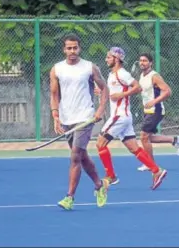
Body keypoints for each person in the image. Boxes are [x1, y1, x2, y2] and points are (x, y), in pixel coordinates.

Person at [50, 34, 110, 210]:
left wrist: (100, 109)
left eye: (75, 47)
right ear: (64, 49)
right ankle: (99, 186)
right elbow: (54, 94)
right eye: (69, 48)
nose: (72, 51)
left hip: (85, 117)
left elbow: (104, 87)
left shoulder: (89, 67)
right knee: (82, 157)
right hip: (66, 117)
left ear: (79, 48)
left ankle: (69, 197)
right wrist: (55, 116)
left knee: (75, 155)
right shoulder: (57, 69)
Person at [96, 47, 167, 190]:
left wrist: (121, 96)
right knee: (134, 148)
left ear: (117, 59)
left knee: (100, 144)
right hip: (124, 117)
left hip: (120, 116)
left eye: (109, 57)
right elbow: (113, 92)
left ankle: (111, 176)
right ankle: (156, 170)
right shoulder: (112, 75)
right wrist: (102, 92)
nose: (106, 59)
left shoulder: (122, 73)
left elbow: (137, 87)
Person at [136, 53, 179, 172]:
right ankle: (174, 140)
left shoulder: (154, 76)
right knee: (148, 137)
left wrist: (154, 101)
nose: (142, 63)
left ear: (151, 63)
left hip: (155, 110)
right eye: (141, 60)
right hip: (147, 110)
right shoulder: (142, 76)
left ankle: (150, 164)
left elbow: (167, 91)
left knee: (143, 136)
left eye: (145, 61)